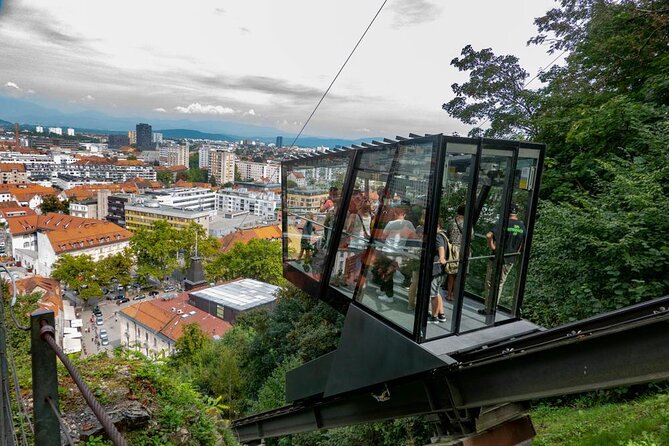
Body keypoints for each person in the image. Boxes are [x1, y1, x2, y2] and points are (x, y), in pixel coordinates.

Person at [479, 204, 526, 315]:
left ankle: (488, 308)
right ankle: (494, 306)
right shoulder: (522, 226)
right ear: (516, 213)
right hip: (510, 259)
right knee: (500, 283)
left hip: (496, 257)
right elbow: (522, 245)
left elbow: (489, 235)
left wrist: (493, 247)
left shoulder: (503, 223)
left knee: (490, 282)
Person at [446, 204, 472, 302]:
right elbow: (472, 236)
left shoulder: (452, 222)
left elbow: (448, 234)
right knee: (459, 274)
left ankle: (449, 295)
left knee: (451, 273)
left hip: (453, 249)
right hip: (464, 249)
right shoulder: (468, 223)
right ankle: (454, 294)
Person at [429, 218, 449, 323]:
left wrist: (441, 258)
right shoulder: (444, 235)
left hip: (436, 268)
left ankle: (434, 317)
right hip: (440, 269)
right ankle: (441, 314)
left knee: (433, 294)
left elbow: (440, 247)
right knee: (437, 292)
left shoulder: (437, 236)